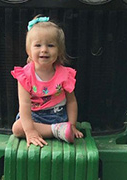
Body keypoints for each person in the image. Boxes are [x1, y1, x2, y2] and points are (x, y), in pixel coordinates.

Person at [11, 16, 84, 147]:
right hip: (34, 116)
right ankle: (56, 130)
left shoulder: (65, 74)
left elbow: (71, 101)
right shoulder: (25, 75)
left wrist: (72, 125)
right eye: (38, 45)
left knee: (19, 128)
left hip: (58, 115)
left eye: (50, 45)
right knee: (17, 128)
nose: (44, 49)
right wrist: (30, 131)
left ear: (59, 50)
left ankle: (63, 128)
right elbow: (24, 105)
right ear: (29, 50)